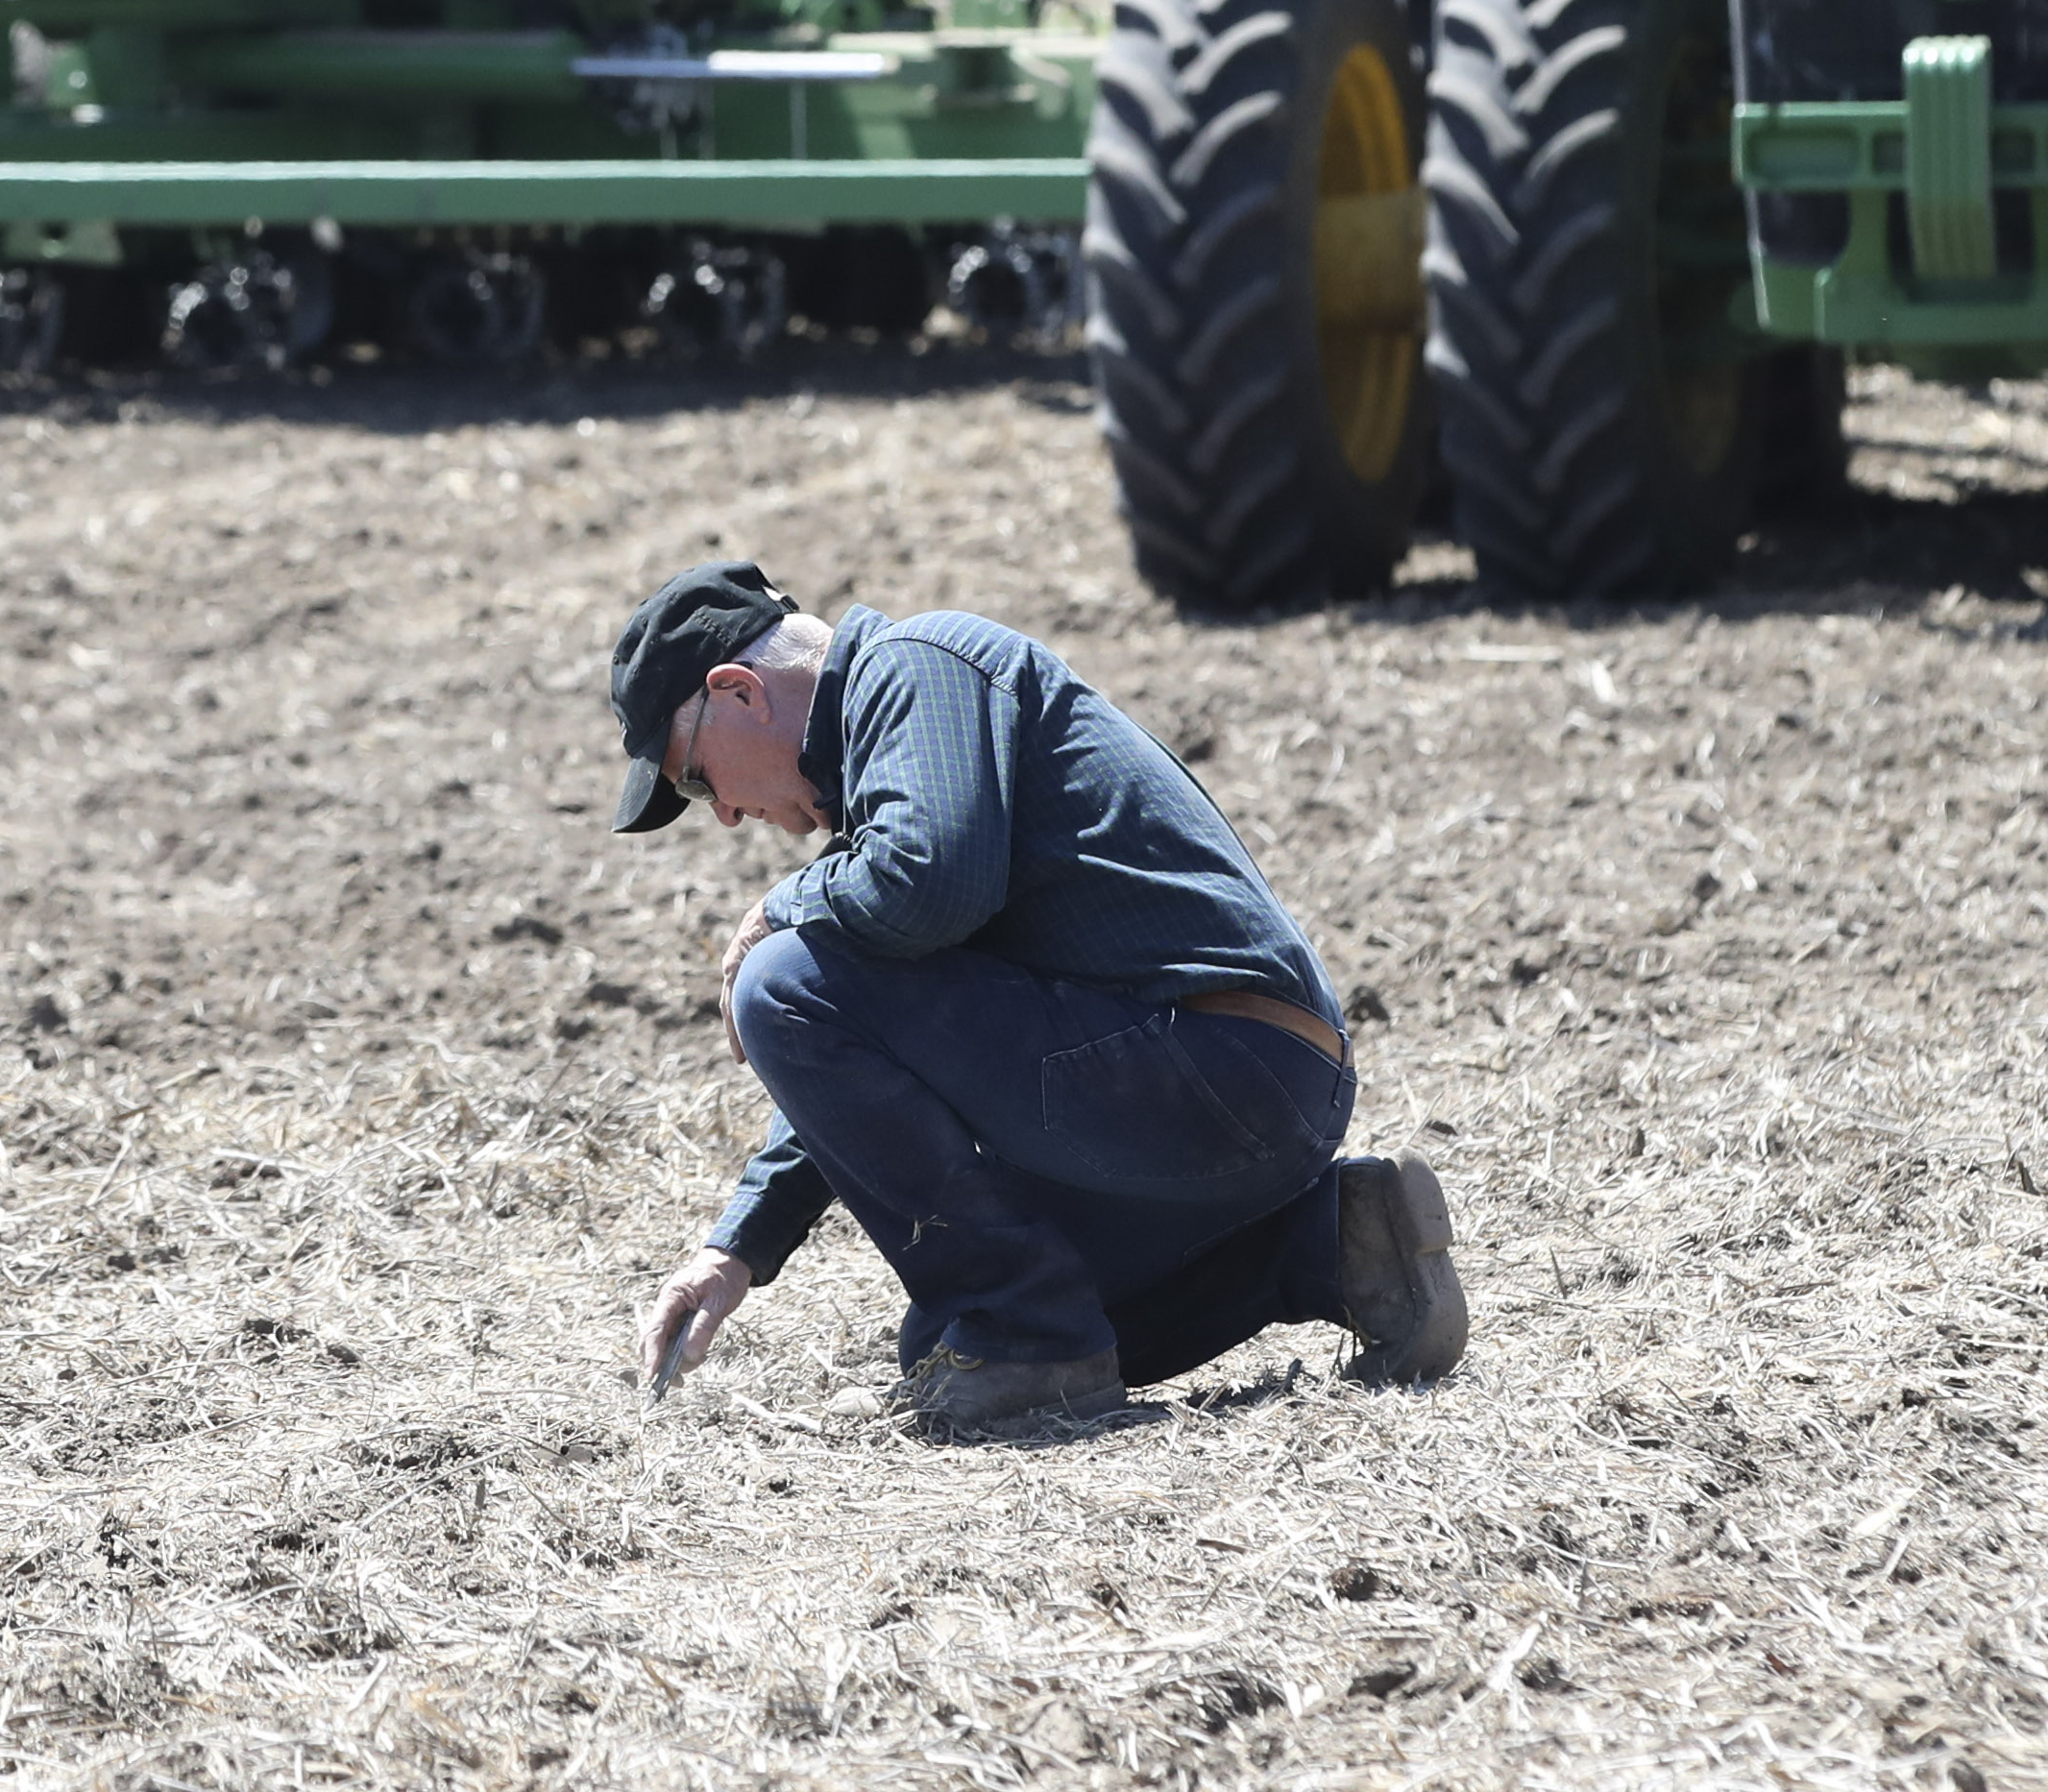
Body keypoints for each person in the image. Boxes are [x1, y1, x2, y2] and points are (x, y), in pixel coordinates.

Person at [607, 560, 1468, 1441]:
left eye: (697, 780)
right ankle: (1336, 1245)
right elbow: (879, 1032)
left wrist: (779, 908)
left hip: (1212, 1060)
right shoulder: (900, 752)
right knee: (984, 1336)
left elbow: (918, 890)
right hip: (1251, 1078)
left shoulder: (915, 665)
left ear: (740, 691)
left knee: (778, 978)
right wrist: (736, 1249)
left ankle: (1029, 1337)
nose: (722, 815)